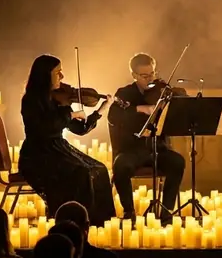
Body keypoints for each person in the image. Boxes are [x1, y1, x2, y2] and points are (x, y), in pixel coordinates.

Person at [18, 54, 114, 225]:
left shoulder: (59, 98)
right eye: (57, 73)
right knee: (81, 173)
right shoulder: (30, 100)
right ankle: (76, 222)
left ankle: (101, 222)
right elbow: (43, 129)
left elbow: (80, 129)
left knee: (99, 169)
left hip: (58, 148)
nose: (62, 77)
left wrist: (100, 110)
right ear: (45, 75)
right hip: (38, 154)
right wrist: (70, 114)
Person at [108, 53, 186, 222]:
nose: (150, 78)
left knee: (178, 162)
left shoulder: (161, 90)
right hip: (132, 150)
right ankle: (129, 212)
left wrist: (174, 98)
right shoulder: (125, 93)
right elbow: (113, 116)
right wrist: (139, 109)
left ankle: (166, 211)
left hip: (158, 148)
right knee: (120, 166)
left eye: (152, 73)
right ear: (134, 75)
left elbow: (180, 107)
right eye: (144, 76)